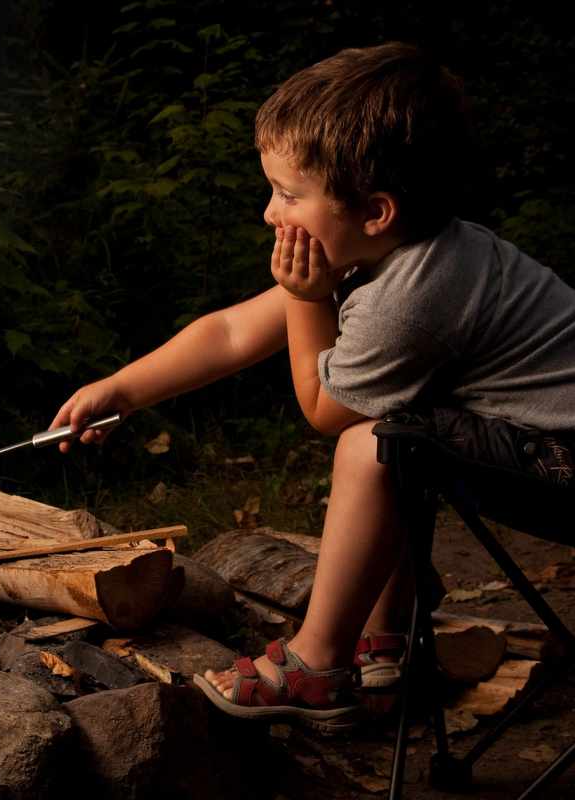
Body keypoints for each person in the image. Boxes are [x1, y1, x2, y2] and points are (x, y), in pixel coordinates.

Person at [50, 42, 575, 729]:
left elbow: (324, 411)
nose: (270, 212)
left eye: (289, 195)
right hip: (540, 439)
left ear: (374, 210)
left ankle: (317, 663)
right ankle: (389, 637)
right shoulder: (383, 251)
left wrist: (304, 299)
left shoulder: (412, 293)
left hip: (564, 462)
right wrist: (122, 388)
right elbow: (233, 332)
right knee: (403, 427)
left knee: (372, 444)